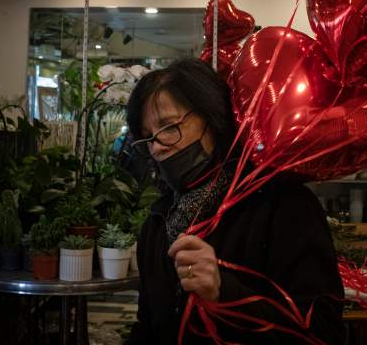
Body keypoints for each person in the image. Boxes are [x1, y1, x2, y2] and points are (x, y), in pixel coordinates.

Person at [125, 58, 345, 344]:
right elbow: (149, 327)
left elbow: (323, 331)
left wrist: (225, 292)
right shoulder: (159, 222)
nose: (158, 147)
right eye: (147, 138)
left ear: (212, 119)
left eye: (169, 127)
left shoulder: (283, 205)